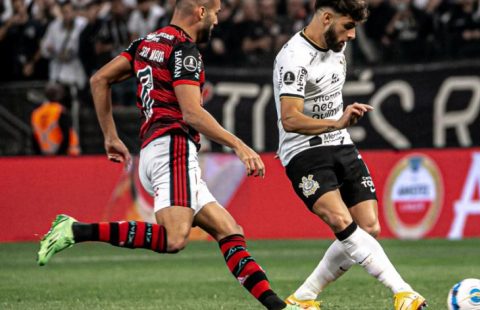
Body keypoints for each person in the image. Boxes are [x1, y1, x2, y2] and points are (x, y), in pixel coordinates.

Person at [36, 0, 300, 309]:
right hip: (172, 147)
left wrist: (111, 136)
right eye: (214, 13)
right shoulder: (185, 51)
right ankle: (75, 230)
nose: (216, 21)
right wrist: (239, 145)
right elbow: (191, 113)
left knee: (229, 231)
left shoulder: (145, 43)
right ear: (201, 11)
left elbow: (99, 79)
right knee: (175, 239)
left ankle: (278, 307)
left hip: (156, 149)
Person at [272, 0, 427, 309]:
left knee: (368, 228)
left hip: (340, 143)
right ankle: (403, 292)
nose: (352, 35)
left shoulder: (337, 47)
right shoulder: (293, 57)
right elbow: (289, 118)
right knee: (339, 219)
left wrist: (338, 125)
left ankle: (303, 298)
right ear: (326, 18)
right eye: (348, 26)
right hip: (303, 150)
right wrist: (337, 121)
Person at [31, 82, 81, 156]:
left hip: (44, 152)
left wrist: (39, 155)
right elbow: (66, 135)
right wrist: (60, 154)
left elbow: (33, 136)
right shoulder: (60, 111)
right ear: (60, 96)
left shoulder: (36, 113)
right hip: (65, 154)